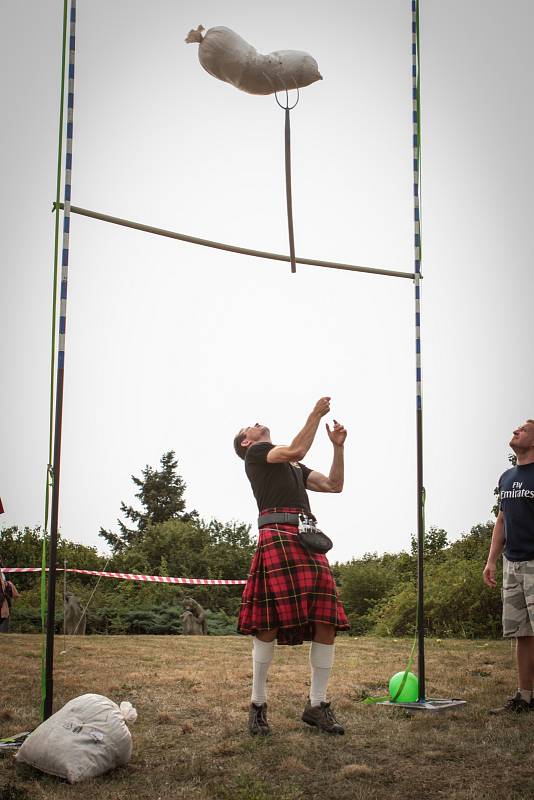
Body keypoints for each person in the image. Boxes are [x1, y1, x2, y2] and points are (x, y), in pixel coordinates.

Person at [234, 397, 349, 735]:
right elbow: (296, 449)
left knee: (326, 620)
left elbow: (334, 485)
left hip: (306, 538)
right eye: (250, 425)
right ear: (246, 441)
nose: (257, 422)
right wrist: (314, 414)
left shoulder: (293, 467)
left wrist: (338, 448)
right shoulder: (258, 455)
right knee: (267, 624)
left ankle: (317, 705)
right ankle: (257, 705)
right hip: (276, 537)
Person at [483, 420, 534, 713]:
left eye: (523, 430)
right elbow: (501, 521)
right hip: (511, 563)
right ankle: (524, 697)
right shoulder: (506, 477)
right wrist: (492, 560)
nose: (515, 432)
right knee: (522, 633)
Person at [0, 556, 19, 633]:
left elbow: (8, 580)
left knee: (5, 615)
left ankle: (3, 632)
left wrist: (7, 584)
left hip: (4, 596)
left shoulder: (5, 570)